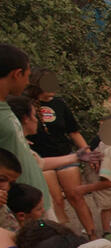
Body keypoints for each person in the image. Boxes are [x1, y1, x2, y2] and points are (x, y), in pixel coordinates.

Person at [0, 44, 58, 222]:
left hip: (38, 203)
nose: (27, 82)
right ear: (17, 74)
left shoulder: (5, 107)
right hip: (23, 210)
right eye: (27, 76)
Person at [24, 69, 87, 226]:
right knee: (56, 200)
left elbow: (73, 132)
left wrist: (89, 153)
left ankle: (92, 233)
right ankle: (62, 232)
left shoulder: (59, 104)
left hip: (65, 155)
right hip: (42, 160)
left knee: (76, 196)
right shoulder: (26, 105)